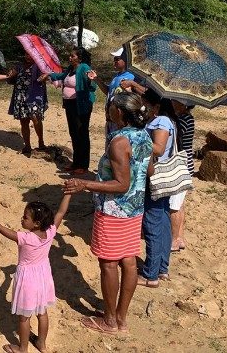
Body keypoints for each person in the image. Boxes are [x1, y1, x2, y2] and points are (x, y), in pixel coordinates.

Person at [63, 92, 153, 334]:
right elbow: (149, 170)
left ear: (120, 113)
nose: (109, 110)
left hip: (114, 210)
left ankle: (110, 321)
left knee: (109, 263)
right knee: (129, 261)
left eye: (112, 107)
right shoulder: (144, 136)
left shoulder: (119, 141)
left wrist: (85, 184)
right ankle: (121, 318)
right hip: (135, 209)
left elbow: (121, 184)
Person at [0, 195, 72, 353]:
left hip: (27, 280)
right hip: (43, 277)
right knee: (42, 313)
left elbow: (0, 228)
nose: (22, 219)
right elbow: (61, 212)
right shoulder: (50, 231)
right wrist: (68, 193)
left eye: (25, 217)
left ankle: (22, 348)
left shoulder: (25, 238)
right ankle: (41, 344)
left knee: (24, 317)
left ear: (36, 223)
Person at [138, 90, 176, 288]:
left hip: (155, 177)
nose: (142, 107)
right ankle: (161, 269)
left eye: (145, 103)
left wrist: (136, 137)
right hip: (161, 178)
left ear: (156, 106)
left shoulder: (161, 121)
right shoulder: (160, 120)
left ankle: (150, 274)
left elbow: (159, 149)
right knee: (162, 220)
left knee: (152, 222)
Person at [48, 47, 96, 174]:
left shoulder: (84, 67)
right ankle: (76, 163)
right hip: (70, 105)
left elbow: (92, 83)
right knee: (74, 133)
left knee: (82, 133)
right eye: (70, 55)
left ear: (79, 58)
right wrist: (49, 75)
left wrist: (91, 79)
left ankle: (83, 165)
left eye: (72, 56)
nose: (70, 58)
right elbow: (61, 75)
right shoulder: (70, 69)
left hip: (81, 105)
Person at [88, 47, 136, 148]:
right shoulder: (116, 77)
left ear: (126, 60)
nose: (114, 61)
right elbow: (108, 91)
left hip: (120, 121)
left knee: (117, 147)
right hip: (110, 119)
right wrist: (96, 79)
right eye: (114, 59)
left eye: (117, 59)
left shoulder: (131, 77)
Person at [7, 52, 49, 154]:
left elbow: (44, 79)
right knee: (24, 121)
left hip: (34, 96)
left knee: (36, 118)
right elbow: (10, 80)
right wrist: (11, 75)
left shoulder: (40, 67)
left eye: (30, 55)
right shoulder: (19, 66)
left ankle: (41, 142)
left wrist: (45, 76)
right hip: (20, 96)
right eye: (26, 54)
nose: (27, 56)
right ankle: (27, 146)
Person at [170, 100, 195, 252]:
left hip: (182, 165)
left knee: (175, 205)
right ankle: (179, 237)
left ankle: (174, 239)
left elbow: (177, 139)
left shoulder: (184, 119)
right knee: (179, 204)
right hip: (187, 165)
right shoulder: (187, 118)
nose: (173, 103)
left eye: (176, 102)